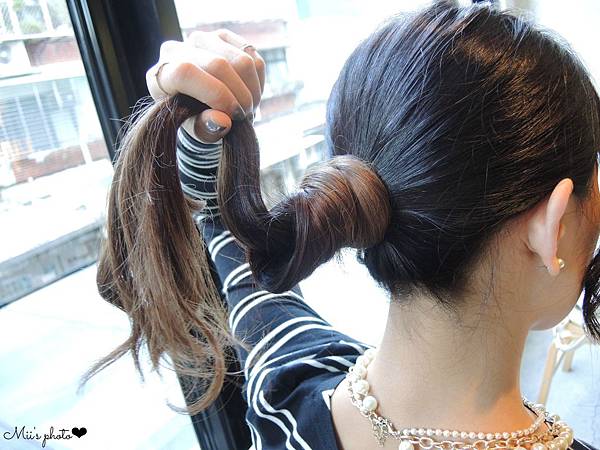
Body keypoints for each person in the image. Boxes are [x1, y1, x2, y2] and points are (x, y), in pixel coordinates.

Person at [95, 1, 600, 449]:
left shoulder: (286, 383)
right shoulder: (286, 366)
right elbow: (222, 224)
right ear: (552, 225)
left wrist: (199, 127)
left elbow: (221, 230)